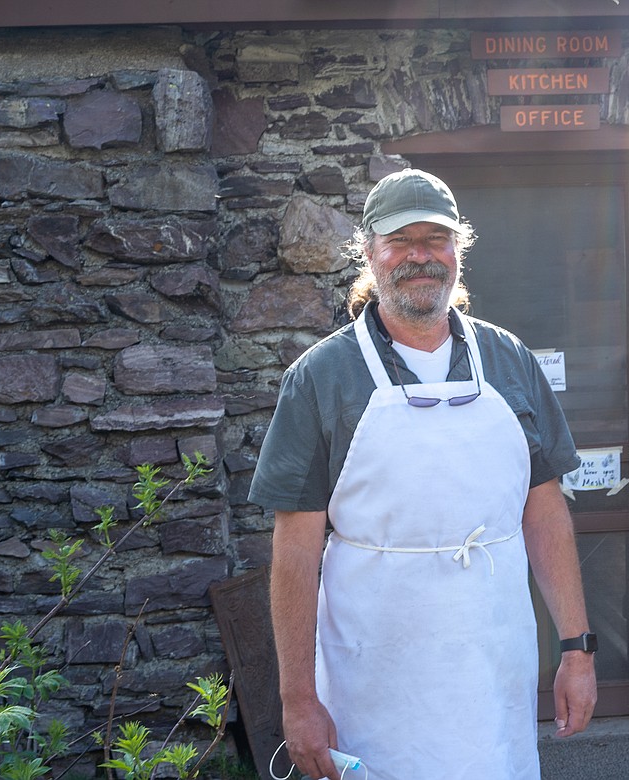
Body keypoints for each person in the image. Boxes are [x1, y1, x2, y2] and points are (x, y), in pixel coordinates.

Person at [249, 168, 597, 780]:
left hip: (492, 658)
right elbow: (297, 549)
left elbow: (543, 512)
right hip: (372, 667)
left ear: (458, 250)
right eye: (399, 241)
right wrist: (299, 699)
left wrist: (576, 648)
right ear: (369, 251)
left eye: (435, 240)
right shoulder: (323, 378)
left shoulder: (509, 361)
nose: (419, 256)